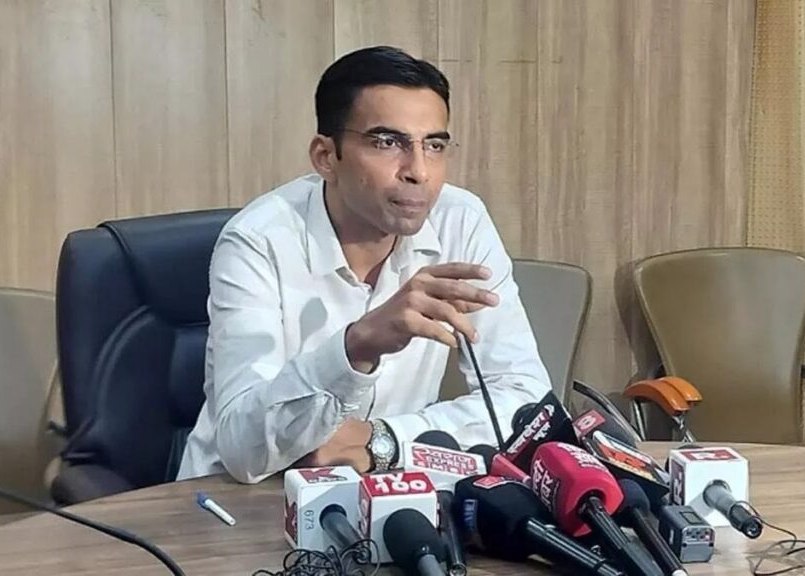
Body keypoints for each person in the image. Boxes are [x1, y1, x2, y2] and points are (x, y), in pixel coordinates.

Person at [178, 46, 551, 484]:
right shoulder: (257, 241)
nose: (418, 171)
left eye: (434, 146)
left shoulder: (460, 221)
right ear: (326, 157)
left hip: (386, 488)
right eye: (387, 143)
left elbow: (528, 404)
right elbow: (243, 450)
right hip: (230, 501)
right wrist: (356, 347)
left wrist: (385, 440)